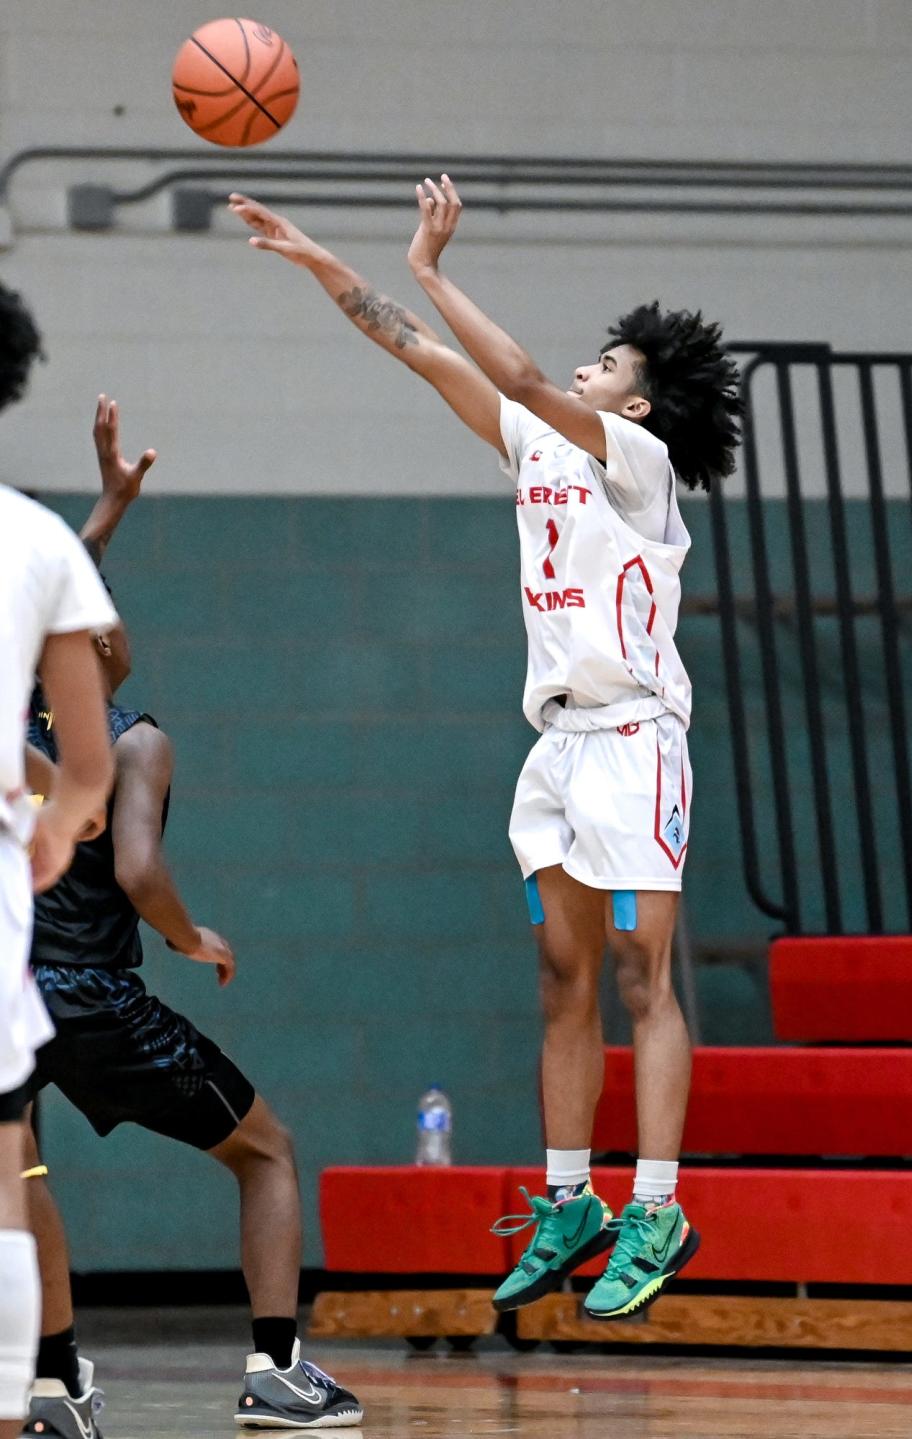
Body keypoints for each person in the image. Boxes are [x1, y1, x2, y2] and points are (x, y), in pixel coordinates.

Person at [229, 176, 741, 1321]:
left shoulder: (638, 468)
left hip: (634, 740)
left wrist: (432, 265)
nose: (581, 369)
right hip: (554, 746)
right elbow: (415, 353)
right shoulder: (538, 448)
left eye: (607, 365)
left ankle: (656, 1205)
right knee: (561, 976)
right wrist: (321, 259)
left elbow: (507, 369)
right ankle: (573, 1200)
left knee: (638, 975)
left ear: (643, 407)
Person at [22, 402, 363, 1435]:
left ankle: (53, 1381)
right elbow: (137, 869)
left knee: (20, 1177)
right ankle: (275, 1368)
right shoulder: (133, 740)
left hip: (13, 996)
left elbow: (45, 584)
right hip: (96, 995)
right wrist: (188, 932)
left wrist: (108, 512)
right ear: (105, 648)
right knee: (266, 1148)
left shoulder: (6, 720)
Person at [0, 281, 116, 1439]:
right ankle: (22, 1398)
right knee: (1, 1165)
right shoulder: (36, 539)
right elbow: (87, 762)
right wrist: (46, 832)